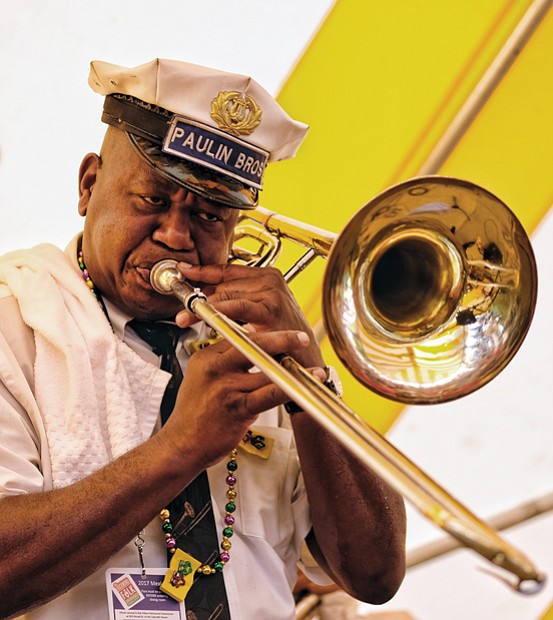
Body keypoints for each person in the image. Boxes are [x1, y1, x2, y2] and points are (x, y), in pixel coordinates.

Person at [0, 58, 406, 620]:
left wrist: (308, 372)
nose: (174, 236)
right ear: (90, 185)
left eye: (210, 217)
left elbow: (376, 574)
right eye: (152, 201)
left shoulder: (260, 351)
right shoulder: (12, 324)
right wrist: (181, 448)